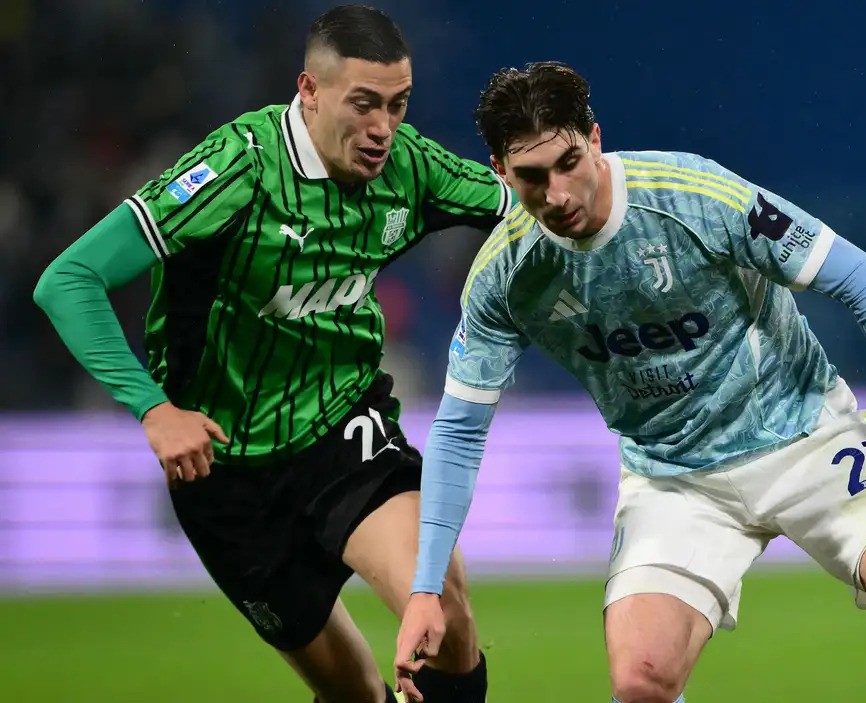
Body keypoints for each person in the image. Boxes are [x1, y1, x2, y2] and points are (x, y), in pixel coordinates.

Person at [393, 61, 866, 703]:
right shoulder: (505, 275)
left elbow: (862, 278)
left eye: (569, 162)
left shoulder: (694, 196)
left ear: (594, 140)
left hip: (806, 433)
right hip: (673, 477)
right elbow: (458, 430)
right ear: (500, 171)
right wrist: (426, 587)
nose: (559, 194)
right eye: (533, 178)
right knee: (641, 680)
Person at [33, 6, 511, 703]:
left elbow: (538, 204)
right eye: (364, 104)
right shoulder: (237, 169)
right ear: (309, 91)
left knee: (445, 607)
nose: (383, 127)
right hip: (222, 471)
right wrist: (154, 409)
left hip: (342, 427)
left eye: (398, 105)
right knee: (355, 693)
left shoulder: (408, 166)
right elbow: (67, 281)